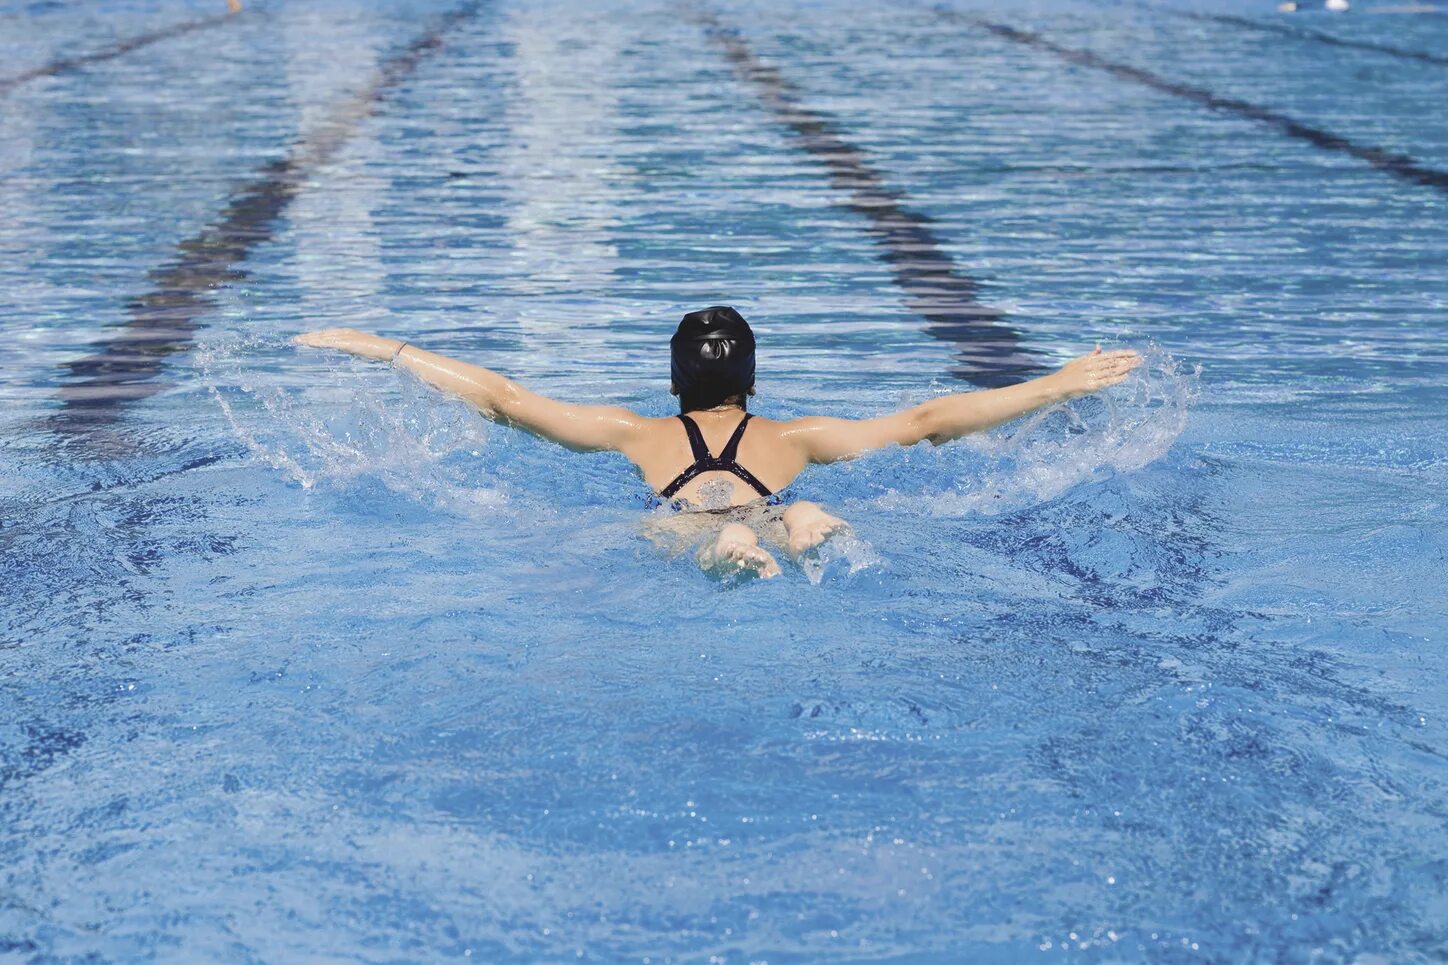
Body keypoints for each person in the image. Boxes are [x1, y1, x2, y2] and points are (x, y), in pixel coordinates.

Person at [295, 307, 1141, 579]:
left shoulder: (639, 434)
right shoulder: (794, 437)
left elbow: (507, 401)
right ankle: (804, 529)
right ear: (753, 381)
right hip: (781, 497)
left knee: (708, 540)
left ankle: (733, 551)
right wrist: (1055, 383)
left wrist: (389, 349)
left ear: (674, 383)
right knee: (797, 514)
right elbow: (926, 421)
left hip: (680, 516)